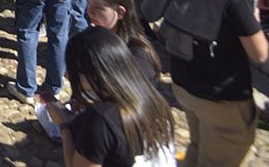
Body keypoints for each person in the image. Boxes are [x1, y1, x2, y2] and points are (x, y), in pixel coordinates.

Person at [141, 0, 269, 167]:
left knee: (197, 147)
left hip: (183, 79)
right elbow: (260, 53)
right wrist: (254, 14)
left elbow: (151, 5)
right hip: (220, 92)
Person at [42, 27, 176, 167]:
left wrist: (64, 127)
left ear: (93, 74)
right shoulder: (153, 98)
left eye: (72, 69)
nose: (67, 76)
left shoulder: (101, 120)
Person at [86, 0, 159, 83]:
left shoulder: (138, 56)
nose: (89, 11)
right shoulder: (97, 39)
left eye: (97, 7)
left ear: (120, 12)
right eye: (88, 4)